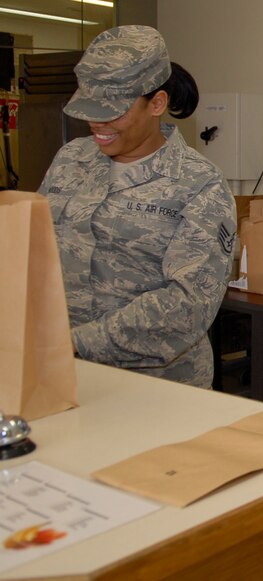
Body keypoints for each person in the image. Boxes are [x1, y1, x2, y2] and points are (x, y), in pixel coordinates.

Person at [39, 25, 236, 388]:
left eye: (112, 110)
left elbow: (188, 305)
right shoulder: (71, 160)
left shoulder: (199, 183)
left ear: (157, 103)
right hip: (63, 376)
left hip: (155, 387)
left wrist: (75, 343)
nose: (97, 122)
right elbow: (33, 252)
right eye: (90, 107)